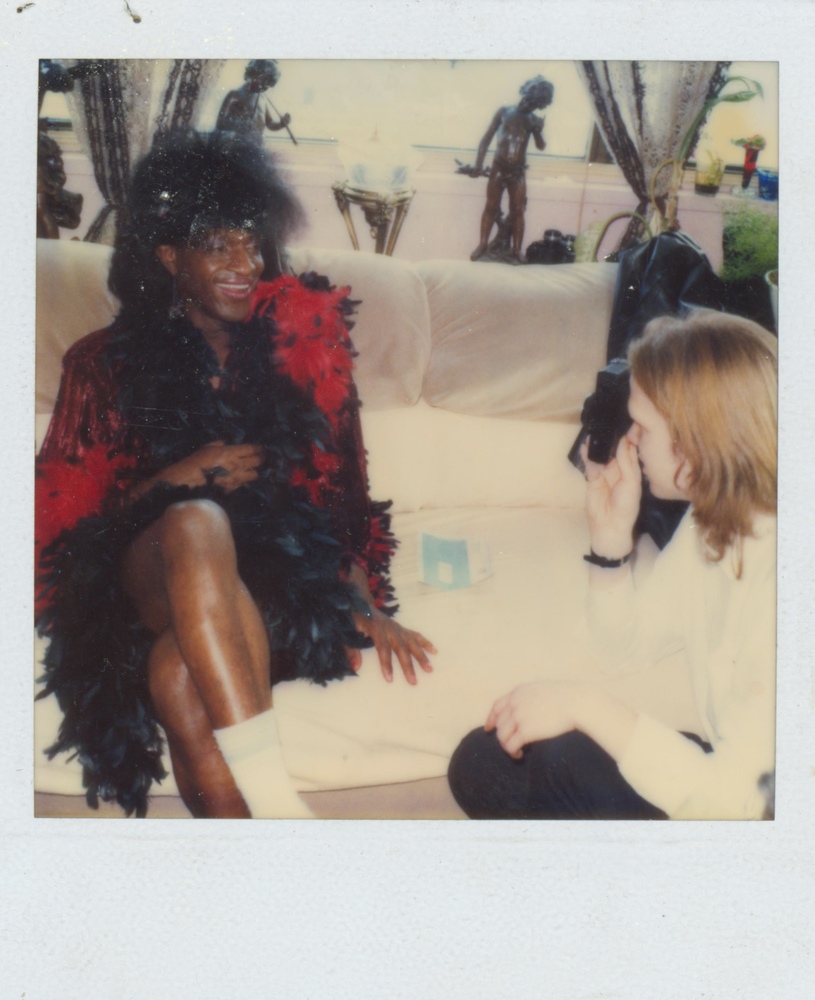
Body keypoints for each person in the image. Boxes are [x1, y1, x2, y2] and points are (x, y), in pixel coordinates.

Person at [35, 129, 435, 819]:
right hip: (142, 584)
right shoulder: (101, 365)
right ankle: (278, 802)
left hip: (264, 591)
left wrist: (364, 606)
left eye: (252, 242)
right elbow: (67, 535)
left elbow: (344, 507)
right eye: (216, 244)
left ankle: (255, 862)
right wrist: (179, 478)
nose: (243, 262)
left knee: (176, 676)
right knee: (196, 518)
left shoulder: (306, 356)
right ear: (167, 256)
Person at [448, 311, 777, 820]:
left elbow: (747, 805)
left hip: (760, 823)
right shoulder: (713, 520)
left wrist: (582, 705)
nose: (631, 440)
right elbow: (625, 647)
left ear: (694, 440)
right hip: (731, 777)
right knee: (483, 760)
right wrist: (609, 539)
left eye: (643, 427)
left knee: (553, 762)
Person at [458, 75, 554, 263]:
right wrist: (478, 164)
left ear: (539, 106)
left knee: (518, 211)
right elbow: (485, 139)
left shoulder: (533, 120)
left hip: (517, 172)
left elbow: (541, 146)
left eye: (535, 104)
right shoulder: (503, 111)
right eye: (528, 99)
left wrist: (538, 131)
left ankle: (517, 250)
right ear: (524, 92)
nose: (529, 105)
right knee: (491, 206)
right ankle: (483, 244)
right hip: (498, 168)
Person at [216, 59, 294, 144]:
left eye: (269, 83)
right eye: (264, 80)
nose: (266, 87)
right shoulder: (234, 95)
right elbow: (220, 123)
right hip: (237, 146)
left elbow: (269, 123)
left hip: (256, 148)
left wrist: (280, 124)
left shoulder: (263, 99)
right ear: (252, 74)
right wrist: (239, 125)